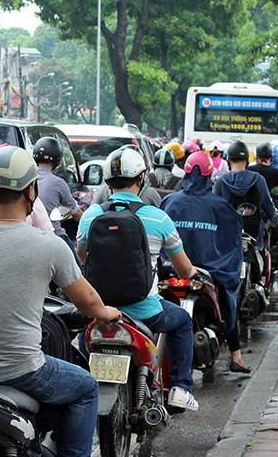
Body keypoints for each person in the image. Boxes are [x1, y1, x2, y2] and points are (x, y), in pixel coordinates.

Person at [0, 146, 121, 457]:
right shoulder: (49, 245)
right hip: (23, 368)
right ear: (31, 190)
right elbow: (88, 301)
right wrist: (106, 313)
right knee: (86, 388)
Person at [76, 147, 199, 411]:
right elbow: (184, 269)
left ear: (107, 182)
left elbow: (82, 256)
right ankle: (179, 387)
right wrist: (190, 273)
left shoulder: (90, 216)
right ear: (142, 178)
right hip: (147, 311)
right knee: (183, 321)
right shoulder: (159, 218)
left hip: (99, 310)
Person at [161, 152, 250, 373]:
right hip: (210, 271)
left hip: (170, 269)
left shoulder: (170, 201)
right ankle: (236, 356)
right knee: (229, 300)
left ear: (187, 172)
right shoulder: (220, 206)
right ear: (210, 174)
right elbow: (232, 242)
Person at [213, 141, 277, 252]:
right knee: (265, 258)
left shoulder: (221, 182)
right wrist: (275, 218)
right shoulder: (259, 180)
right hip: (254, 235)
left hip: (227, 235)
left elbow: (214, 209)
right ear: (247, 160)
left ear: (229, 160)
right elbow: (268, 205)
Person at [248, 143, 278, 273]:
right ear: (271, 158)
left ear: (257, 156)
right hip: (269, 210)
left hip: (250, 210)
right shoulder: (276, 172)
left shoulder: (250, 171)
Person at [32, 136, 83, 250]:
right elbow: (77, 214)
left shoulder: (27, 179)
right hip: (53, 235)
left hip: (29, 234)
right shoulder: (58, 183)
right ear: (58, 159)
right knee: (76, 266)